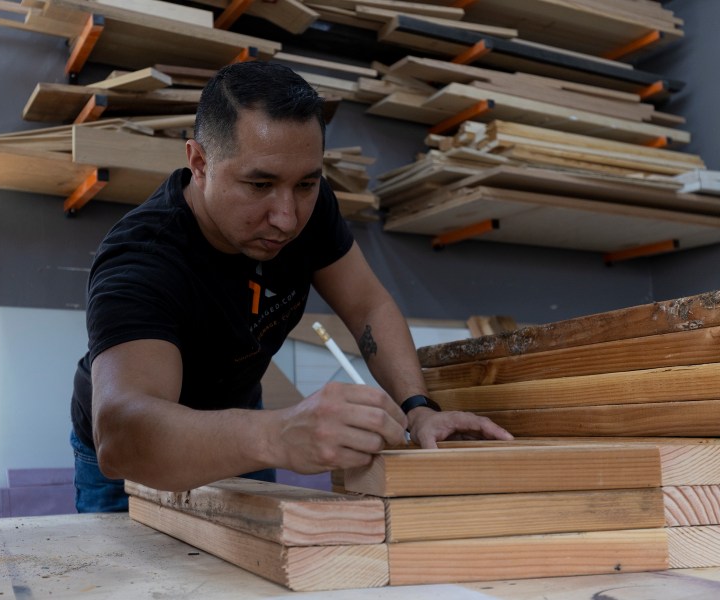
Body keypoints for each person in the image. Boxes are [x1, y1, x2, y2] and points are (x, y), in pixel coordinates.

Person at [69, 61, 513, 513]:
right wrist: (276, 435)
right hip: (151, 452)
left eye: (306, 183)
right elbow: (121, 436)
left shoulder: (309, 205)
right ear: (200, 163)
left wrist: (419, 408)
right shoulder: (143, 257)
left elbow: (367, 305)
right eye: (259, 184)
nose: (286, 217)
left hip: (242, 423)